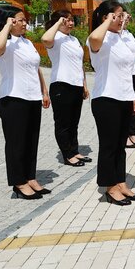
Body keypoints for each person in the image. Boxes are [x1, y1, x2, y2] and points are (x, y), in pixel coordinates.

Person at [0, 6, 51, 199]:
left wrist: (44, 91)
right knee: (16, 143)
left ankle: (30, 177)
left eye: (26, 20)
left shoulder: (26, 42)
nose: (25, 23)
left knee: (31, 141)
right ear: (9, 21)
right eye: (21, 20)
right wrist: (7, 26)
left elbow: (37, 68)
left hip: (33, 98)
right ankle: (19, 182)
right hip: (13, 99)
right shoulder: (3, 42)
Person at [86, 0, 135, 205]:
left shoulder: (121, 39)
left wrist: (132, 97)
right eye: (117, 16)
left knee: (120, 145)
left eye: (121, 16)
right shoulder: (99, 39)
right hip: (106, 98)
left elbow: (127, 73)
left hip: (124, 97)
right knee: (109, 145)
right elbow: (93, 37)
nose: (121, 19)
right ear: (105, 17)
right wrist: (108, 20)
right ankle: (109, 187)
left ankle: (120, 182)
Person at [41, 10, 91, 167]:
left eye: (71, 20)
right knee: (63, 122)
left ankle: (75, 151)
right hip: (61, 84)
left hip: (76, 85)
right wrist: (57, 23)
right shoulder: (54, 38)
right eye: (66, 20)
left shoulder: (74, 39)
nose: (70, 23)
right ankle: (67, 154)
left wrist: (84, 85)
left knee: (73, 122)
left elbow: (79, 64)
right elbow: (45, 39)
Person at [120, 10, 135, 148]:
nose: (127, 19)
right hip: (126, 74)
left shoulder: (129, 34)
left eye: (128, 17)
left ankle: (132, 132)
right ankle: (124, 135)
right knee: (127, 104)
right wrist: (122, 21)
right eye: (123, 16)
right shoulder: (118, 35)